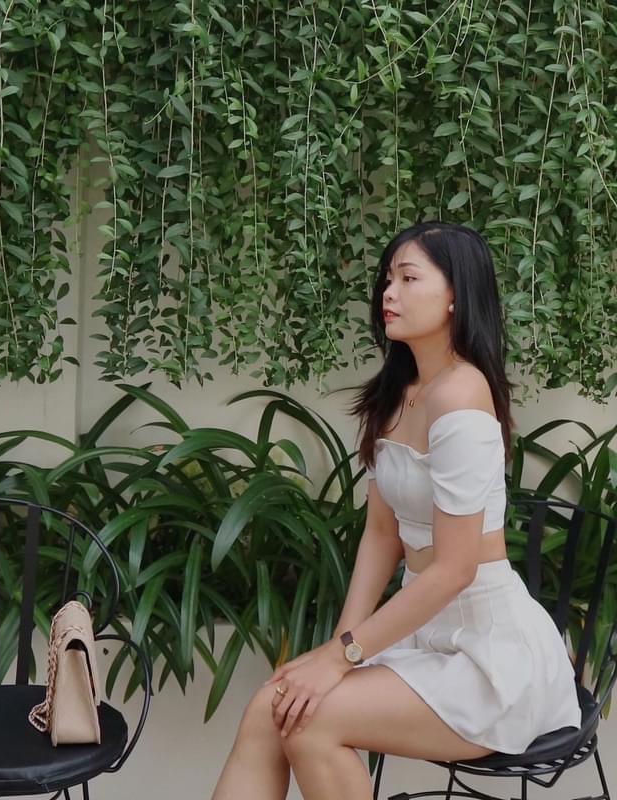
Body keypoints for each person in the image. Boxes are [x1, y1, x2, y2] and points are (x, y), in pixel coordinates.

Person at [211, 221, 581, 800]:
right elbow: (382, 535)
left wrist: (343, 657)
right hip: (420, 635)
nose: (389, 293)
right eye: (388, 279)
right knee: (273, 707)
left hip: (487, 656)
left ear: (456, 294)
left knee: (307, 719)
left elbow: (455, 569)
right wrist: (338, 647)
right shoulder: (398, 394)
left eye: (409, 278)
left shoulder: (462, 394)